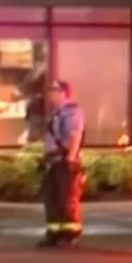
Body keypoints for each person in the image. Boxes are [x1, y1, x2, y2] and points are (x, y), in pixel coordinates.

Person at [38, 79, 86, 248]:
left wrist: (70, 159)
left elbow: (75, 135)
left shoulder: (71, 112)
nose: (51, 94)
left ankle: (68, 235)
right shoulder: (56, 113)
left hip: (64, 161)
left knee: (66, 199)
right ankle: (54, 233)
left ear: (64, 93)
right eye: (50, 91)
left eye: (54, 91)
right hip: (53, 161)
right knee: (53, 200)